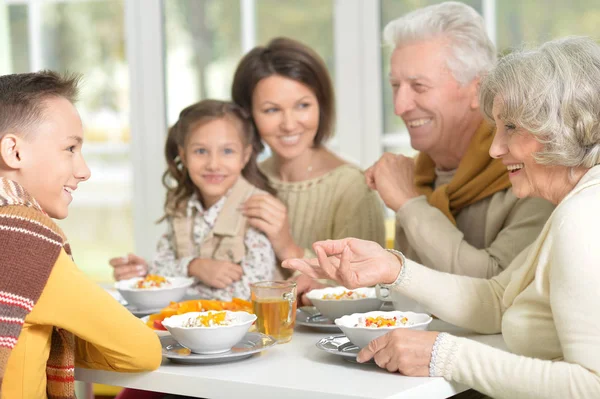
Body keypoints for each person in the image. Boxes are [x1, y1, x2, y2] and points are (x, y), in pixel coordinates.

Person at [283, 36, 600, 399]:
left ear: (565, 126)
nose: (496, 148)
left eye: (511, 127)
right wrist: (392, 267)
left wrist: (444, 355)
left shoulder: (583, 217)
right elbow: (497, 300)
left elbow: (592, 386)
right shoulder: (579, 205)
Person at [0, 71, 162, 398]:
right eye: (70, 148)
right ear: (14, 151)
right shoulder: (23, 242)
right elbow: (142, 350)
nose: (84, 170)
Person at [366, 1, 553, 278]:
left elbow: (497, 287)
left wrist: (408, 203)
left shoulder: (532, 172)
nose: (400, 107)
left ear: (479, 90)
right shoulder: (418, 174)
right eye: (395, 86)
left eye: (419, 86)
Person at [232, 37, 386, 302]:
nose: (289, 124)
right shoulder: (243, 180)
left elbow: (365, 293)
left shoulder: (352, 187)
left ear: (321, 105)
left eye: (303, 105)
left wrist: (287, 246)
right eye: (271, 110)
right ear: (249, 115)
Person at [109, 100, 277, 301]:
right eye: (200, 151)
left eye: (227, 151)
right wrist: (192, 266)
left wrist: (181, 284)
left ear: (245, 155)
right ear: (184, 155)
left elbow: (255, 292)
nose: (213, 164)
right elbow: (161, 267)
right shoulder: (182, 208)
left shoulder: (257, 208)